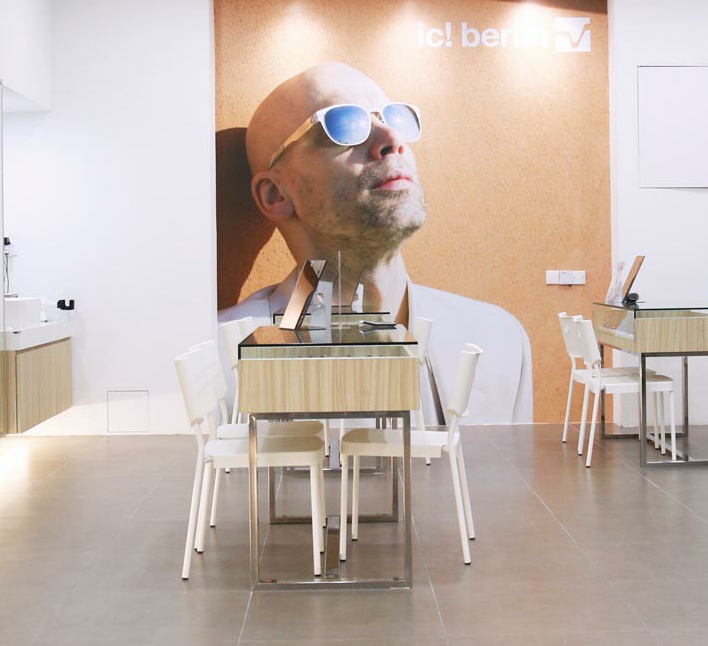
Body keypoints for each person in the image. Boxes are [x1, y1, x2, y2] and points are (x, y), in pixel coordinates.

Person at [221, 62, 532, 423]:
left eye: (394, 118)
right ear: (276, 194)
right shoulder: (224, 360)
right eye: (343, 124)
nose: (391, 139)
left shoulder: (499, 341)